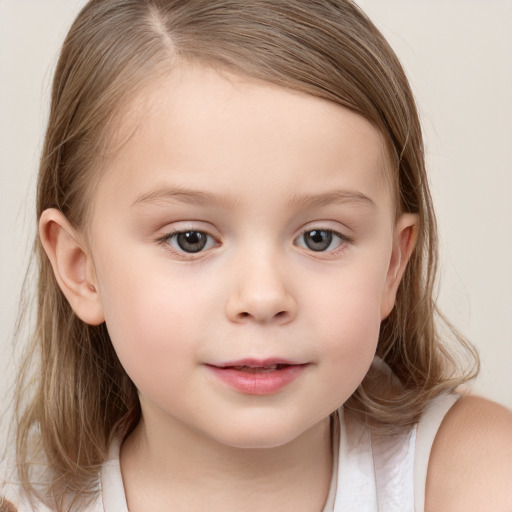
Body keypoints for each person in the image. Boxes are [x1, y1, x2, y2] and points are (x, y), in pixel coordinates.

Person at [1, 1, 511, 511]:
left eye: (320, 238)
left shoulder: (478, 475)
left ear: (392, 267)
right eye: (191, 239)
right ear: (80, 268)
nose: (264, 297)